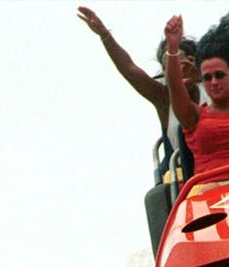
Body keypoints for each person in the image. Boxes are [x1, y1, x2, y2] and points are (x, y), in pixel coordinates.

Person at [77, 6, 204, 164]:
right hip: (187, 172)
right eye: (169, 68)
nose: (176, 71)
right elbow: (129, 68)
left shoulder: (215, 82)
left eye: (180, 63)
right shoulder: (164, 97)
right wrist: (104, 35)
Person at [164, 11, 229, 183]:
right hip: (209, 191)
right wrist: (172, 48)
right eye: (207, 77)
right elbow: (175, 87)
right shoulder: (194, 117)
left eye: (220, 75)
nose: (213, 82)